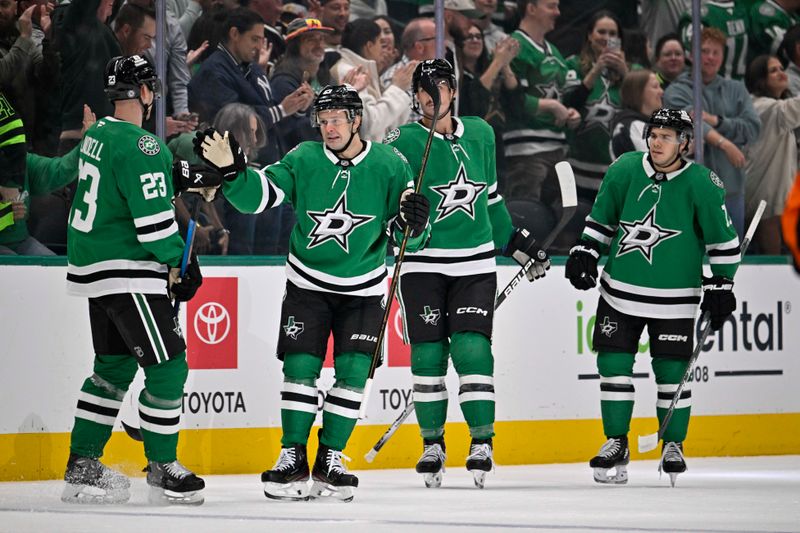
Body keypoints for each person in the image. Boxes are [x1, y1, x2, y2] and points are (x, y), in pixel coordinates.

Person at [193, 85, 431, 502]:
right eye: (323, 120)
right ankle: (292, 457)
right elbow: (259, 198)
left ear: (357, 120)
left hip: (366, 288)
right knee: (300, 368)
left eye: (337, 118)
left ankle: (331, 458)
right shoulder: (303, 158)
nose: (329, 127)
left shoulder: (391, 164)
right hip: (308, 284)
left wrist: (416, 219)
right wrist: (234, 173)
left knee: (354, 375)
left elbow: (407, 234)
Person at [61, 55, 222, 505]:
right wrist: (182, 262)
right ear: (147, 92)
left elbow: (124, 187)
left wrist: (181, 176)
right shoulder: (144, 145)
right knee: (169, 368)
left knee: (111, 372)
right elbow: (153, 227)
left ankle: (83, 467)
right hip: (130, 272)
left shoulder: (99, 135)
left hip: (96, 272)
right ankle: (162, 466)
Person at [385, 59, 550, 490]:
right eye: (424, 88)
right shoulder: (401, 140)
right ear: (416, 96)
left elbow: (491, 201)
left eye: (440, 85)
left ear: (453, 91)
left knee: (473, 350)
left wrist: (516, 243)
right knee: (427, 356)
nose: (433, 94)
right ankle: (432, 444)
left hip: (475, 263)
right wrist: (405, 224)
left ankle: (481, 441)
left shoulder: (481, 133)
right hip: (422, 265)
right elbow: (393, 211)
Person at [564, 108, 741, 487]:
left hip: (675, 298)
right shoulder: (625, 169)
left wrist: (722, 284)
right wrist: (585, 251)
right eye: (653, 134)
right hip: (619, 292)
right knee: (613, 365)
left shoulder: (702, 183)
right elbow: (602, 220)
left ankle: (672, 444)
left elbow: (724, 242)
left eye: (666, 136)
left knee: (672, 372)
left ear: (684, 143)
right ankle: (616, 442)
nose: (656, 142)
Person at [664, 27, 761, 238]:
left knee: (730, 256)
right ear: (691, 55)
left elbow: (753, 129)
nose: (710, 57)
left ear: (723, 56)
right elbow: (692, 123)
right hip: (689, 190)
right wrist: (726, 144)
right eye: (704, 51)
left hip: (731, 188)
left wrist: (718, 121)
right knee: (691, 255)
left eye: (716, 52)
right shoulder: (676, 91)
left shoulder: (736, 89)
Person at [503, 0, 579, 204]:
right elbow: (511, 100)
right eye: (551, 6)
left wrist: (570, 113)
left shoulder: (554, 51)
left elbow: (561, 96)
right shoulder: (513, 46)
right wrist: (552, 106)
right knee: (527, 219)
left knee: (561, 220)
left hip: (558, 148)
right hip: (525, 151)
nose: (558, 12)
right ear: (531, 8)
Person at [744, 55, 800, 254]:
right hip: (762, 195)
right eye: (773, 70)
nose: (781, 72)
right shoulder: (759, 106)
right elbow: (793, 109)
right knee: (772, 259)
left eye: (781, 68)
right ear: (760, 79)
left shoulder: (773, 105)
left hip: (777, 194)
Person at [610, 69, 664, 158]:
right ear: (638, 92)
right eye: (655, 87)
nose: (661, 92)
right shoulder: (630, 126)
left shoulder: (656, 123)